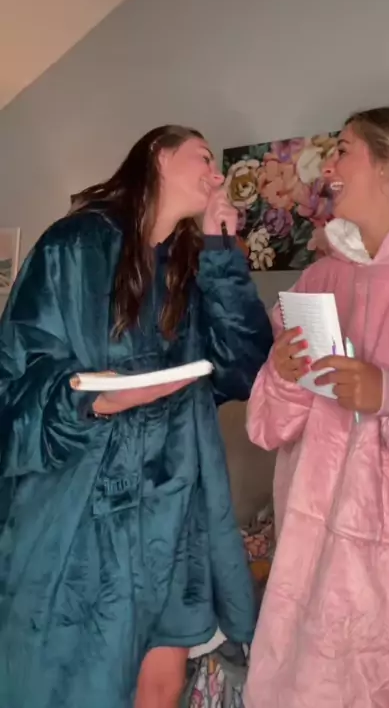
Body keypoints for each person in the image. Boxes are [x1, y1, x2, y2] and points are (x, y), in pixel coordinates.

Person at [0, 124, 273, 708]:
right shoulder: (73, 247)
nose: (217, 173)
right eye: (203, 156)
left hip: (175, 515)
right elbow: (13, 378)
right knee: (73, 685)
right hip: (82, 517)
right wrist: (90, 399)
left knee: (161, 686)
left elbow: (245, 367)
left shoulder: (192, 263)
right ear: (158, 155)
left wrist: (222, 252)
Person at [244, 106, 389, 708]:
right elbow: (266, 427)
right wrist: (284, 375)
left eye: (343, 150)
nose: (327, 168)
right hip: (308, 566)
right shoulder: (321, 279)